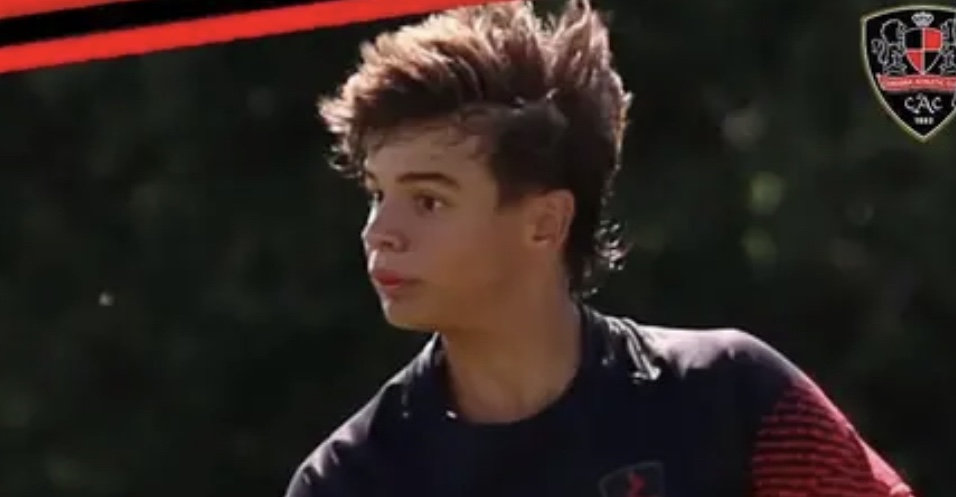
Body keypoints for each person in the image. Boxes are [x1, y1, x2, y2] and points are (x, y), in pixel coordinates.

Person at [284, 1, 916, 496]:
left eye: (428, 200)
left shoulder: (730, 398)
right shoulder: (349, 481)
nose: (379, 231)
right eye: (377, 193)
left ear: (545, 222)